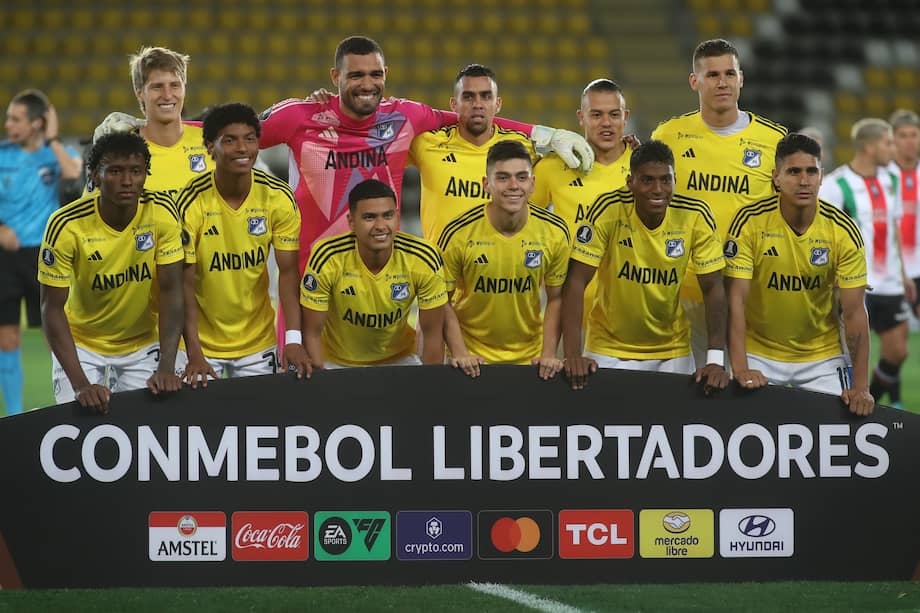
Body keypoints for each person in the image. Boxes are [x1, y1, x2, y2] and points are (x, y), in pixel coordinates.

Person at [258, 35, 592, 275]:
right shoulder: (300, 116)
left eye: (375, 74)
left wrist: (542, 134)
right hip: (311, 275)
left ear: (386, 74)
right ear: (336, 77)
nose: (367, 84)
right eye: (355, 75)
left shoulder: (404, 118)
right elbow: (237, 137)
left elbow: (467, 117)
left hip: (381, 280)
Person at [651, 39, 787, 368]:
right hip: (684, 294)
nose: (722, 82)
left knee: (749, 387)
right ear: (694, 81)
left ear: (741, 78)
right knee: (688, 389)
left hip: (751, 294)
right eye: (712, 75)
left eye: (729, 74)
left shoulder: (774, 140)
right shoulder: (668, 135)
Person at [561, 140, 729, 393]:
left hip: (672, 351)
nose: (657, 189)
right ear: (630, 182)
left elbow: (713, 287)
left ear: (675, 180)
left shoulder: (695, 214)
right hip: (608, 349)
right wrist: (572, 355)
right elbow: (576, 280)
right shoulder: (608, 209)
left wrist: (715, 361)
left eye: (665, 180)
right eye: (647, 180)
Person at [724, 133, 873, 416]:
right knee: (743, 424)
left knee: (843, 426)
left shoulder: (843, 231)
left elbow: (854, 312)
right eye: (794, 172)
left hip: (822, 355)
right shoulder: (749, 223)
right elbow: (736, 302)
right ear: (776, 177)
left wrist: (861, 386)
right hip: (759, 352)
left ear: (821, 176)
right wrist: (741, 368)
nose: (804, 181)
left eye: (811, 171)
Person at [38, 133, 184, 414]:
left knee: (148, 425)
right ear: (94, 175)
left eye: (136, 171)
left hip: (143, 343)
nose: (127, 181)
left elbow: (171, 292)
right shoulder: (65, 225)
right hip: (82, 343)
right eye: (115, 171)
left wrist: (167, 365)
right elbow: (51, 308)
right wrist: (81, 385)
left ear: (145, 174)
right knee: (78, 422)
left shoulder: (162, 213)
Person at [175, 103, 310, 386]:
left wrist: (293, 339)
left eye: (249, 139)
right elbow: (182, 284)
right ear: (210, 148)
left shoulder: (277, 197)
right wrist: (193, 351)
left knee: (260, 415)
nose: (242, 148)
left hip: (258, 344)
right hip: (200, 345)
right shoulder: (190, 202)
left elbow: (288, 273)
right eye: (229, 140)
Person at [438, 140, 570, 379]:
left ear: (532, 184)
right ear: (486, 184)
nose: (513, 186)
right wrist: (460, 352)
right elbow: (441, 301)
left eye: (521, 177)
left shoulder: (555, 231)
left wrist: (548, 353)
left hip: (531, 360)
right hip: (471, 361)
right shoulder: (458, 233)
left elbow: (556, 298)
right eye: (502, 178)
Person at [300, 179, 447, 368]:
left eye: (388, 215)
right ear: (351, 222)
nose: (380, 225)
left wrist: (430, 384)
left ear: (397, 217)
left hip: (399, 359)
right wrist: (322, 381)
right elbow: (311, 333)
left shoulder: (423, 258)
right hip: (336, 363)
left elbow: (433, 334)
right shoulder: (328, 257)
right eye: (369, 217)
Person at [820, 118, 915, 408]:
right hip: (854, 282)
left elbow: (894, 228)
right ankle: (848, 406)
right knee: (849, 354)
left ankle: (869, 398)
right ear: (870, 147)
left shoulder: (891, 180)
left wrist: (904, 275)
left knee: (898, 351)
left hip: (890, 282)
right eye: (888, 143)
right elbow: (822, 233)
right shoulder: (836, 185)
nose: (894, 149)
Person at [0, 89, 82, 415]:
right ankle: (15, 415)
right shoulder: (2, 155)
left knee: (55, 334)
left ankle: (64, 407)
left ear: (36, 123)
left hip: (44, 257)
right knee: (7, 338)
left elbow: (75, 176)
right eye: (8, 118)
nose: (8, 125)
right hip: (6, 258)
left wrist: (53, 138)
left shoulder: (56, 154)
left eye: (16, 119)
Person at [407, 64, 536, 243]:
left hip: (501, 260)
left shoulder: (524, 147)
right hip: (441, 261)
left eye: (486, 96)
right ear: (453, 104)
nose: (477, 104)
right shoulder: (426, 143)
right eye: (468, 97)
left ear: (498, 104)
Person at [90, 46, 214, 196]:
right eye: (157, 87)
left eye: (175, 85)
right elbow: (93, 207)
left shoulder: (212, 141)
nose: (167, 95)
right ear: (139, 92)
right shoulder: (118, 152)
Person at [888, 109, 920, 317]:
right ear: (893, 139)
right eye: (903, 135)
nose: (909, 141)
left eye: (914, 135)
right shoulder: (882, 176)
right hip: (889, 268)